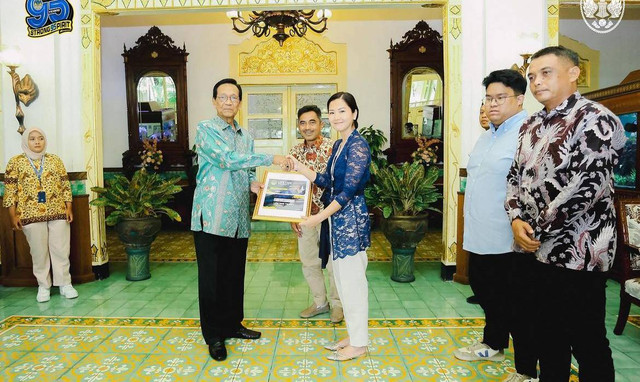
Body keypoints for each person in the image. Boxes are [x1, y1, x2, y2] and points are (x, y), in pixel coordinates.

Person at [506, 46, 625, 381]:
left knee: (586, 340)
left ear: (574, 73)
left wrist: (535, 230)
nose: (536, 81)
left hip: (578, 253)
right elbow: (515, 176)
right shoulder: (532, 124)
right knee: (546, 335)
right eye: (531, 76)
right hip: (533, 251)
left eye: (546, 72)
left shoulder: (595, 119)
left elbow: (585, 188)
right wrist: (516, 218)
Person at [191, 78, 290, 362]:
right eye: (223, 97)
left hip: (238, 219)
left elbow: (244, 171)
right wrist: (271, 158)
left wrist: (257, 186)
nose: (228, 102)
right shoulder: (206, 129)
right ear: (214, 101)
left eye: (233, 97)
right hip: (211, 217)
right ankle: (214, 336)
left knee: (234, 276)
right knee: (211, 280)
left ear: (239, 103)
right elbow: (226, 159)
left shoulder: (246, 136)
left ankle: (233, 325)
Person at [454, 69, 538, 382]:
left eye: (499, 98)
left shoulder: (528, 134)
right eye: (488, 98)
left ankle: (527, 370)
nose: (492, 104)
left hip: (510, 239)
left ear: (519, 99)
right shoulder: (490, 133)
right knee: (485, 290)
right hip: (481, 233)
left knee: (518, 304)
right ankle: (494, 344)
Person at [287, 92, 371, 361]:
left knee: (353, 283)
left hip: (350, 223)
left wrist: (317, 217)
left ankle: (359, 344)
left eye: (342, 111)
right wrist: (300, 167)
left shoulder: (358, 146)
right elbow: (326, 180)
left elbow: (346, 192)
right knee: (344, 283)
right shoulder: (339, 145)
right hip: (336, 223)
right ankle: (353, 335)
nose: (337, 116)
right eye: (332, 112)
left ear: (354, 114)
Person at [3, 127, 78, 303]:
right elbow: (10, 192)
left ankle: (65, 284)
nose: (37, 142)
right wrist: (13, 216)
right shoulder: (15, 162)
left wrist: (69, 208)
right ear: (26, 142)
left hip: (58, 212)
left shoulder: (55, 160)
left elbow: (65, 186)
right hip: (29, 214)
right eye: (32, 139)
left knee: (61, 249)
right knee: (38, 252)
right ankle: (43, 286)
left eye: (41, 138)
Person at [289, 105, 343, 323]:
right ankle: (320, 302)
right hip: (304, 218)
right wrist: (292, 216)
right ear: (298, 126)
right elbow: (288, 187)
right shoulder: (293, 154)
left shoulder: (334, 149)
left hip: (330, 216)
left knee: (333, 263)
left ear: (321, 124)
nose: (307, 127)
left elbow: (340, 184)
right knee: (309, 262)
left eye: (312, 122)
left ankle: (338, 305)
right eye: (303, 122)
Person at [467, 103, 492, 306]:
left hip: (494, 217)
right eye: (480, 112)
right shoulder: (483, 139)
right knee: (476, 268)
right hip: (476, 215)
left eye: (486, 112)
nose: (483, 115)